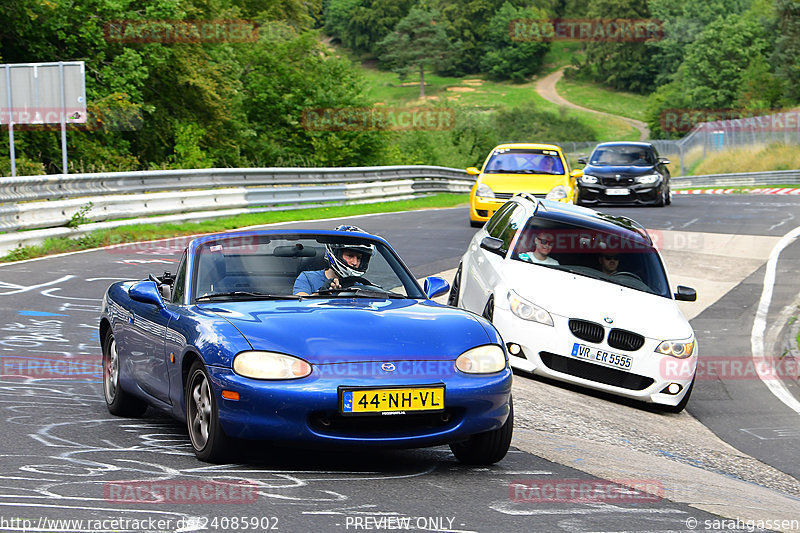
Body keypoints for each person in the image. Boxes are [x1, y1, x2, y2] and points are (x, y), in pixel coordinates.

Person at [293, 225, 374, 295]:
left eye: (359, 258)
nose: (355, 262)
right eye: (350, 256)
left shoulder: (360, 285)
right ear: (335, 254)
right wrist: (321, 294)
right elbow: (299, 305)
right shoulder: (308, 278)